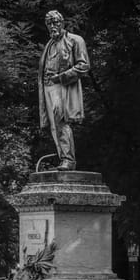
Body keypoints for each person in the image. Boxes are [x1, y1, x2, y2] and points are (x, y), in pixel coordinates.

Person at [38, 10, 90, 171]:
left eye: (56, 22)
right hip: (48, 87)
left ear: (62, 22)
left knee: (61, 122)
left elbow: (84, 66)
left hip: (63, 86)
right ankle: (63, 160)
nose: (53, 26)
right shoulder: (49, 44)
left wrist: (61, 77)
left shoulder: (75, 40)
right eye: (49, 23)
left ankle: (68, 160)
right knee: (54, 126)